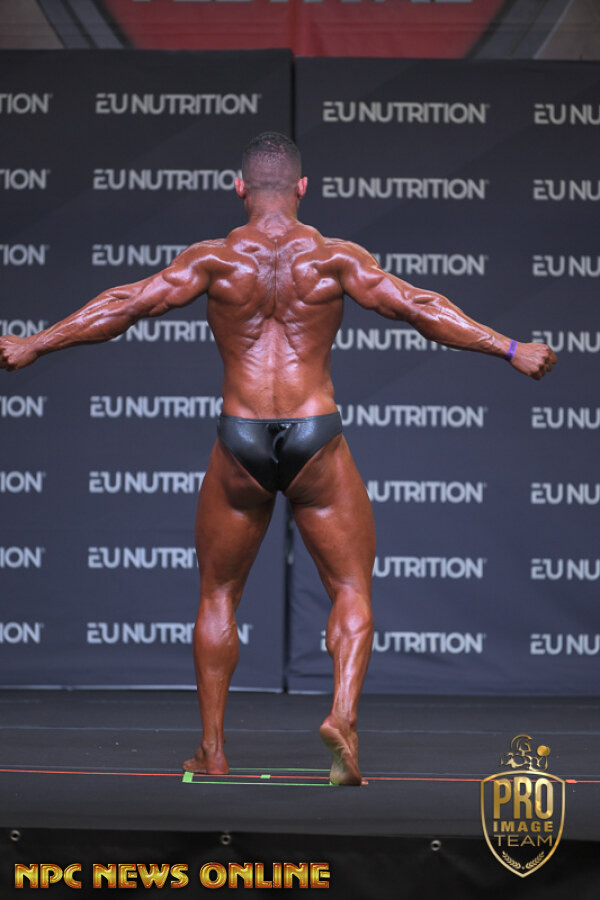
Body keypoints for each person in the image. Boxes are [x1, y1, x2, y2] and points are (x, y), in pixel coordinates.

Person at [0, 132, 556, 786]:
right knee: (350, 588)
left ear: (239, 188)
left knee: (218, 593)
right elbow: (419, 306)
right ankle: (342, 717)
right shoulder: (333, 258)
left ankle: (212, 751)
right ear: (302, 188)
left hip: (241, 437)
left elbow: (127, 304)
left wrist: (37, 342)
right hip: (313, 433)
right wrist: (509, 347)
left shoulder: (213, 260)